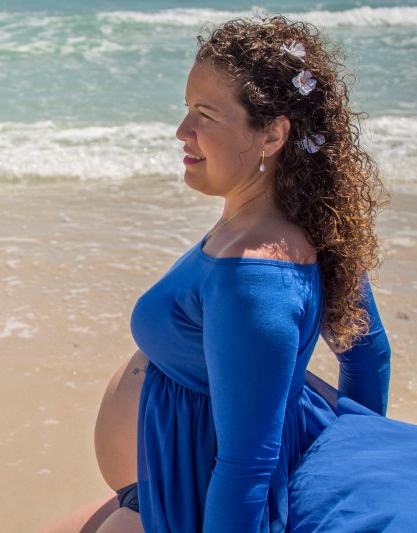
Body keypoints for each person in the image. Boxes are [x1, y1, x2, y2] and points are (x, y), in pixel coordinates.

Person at [40, 15, 408, 533]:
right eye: (187, 108)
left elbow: (246, 465)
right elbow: (369, 355)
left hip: (188, 503)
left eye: (205, 115)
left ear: (273, 134)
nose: (182, 131)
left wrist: (345, 472)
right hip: (168, 481)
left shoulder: (254, 272)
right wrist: (351, 459)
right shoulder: (297, 223)